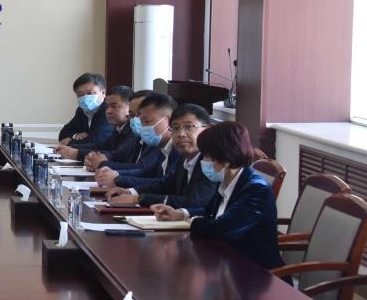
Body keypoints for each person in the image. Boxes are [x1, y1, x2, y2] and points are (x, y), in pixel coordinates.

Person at [152, 122, 284, 271]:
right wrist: (181, 214)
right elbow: (209, 213)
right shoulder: (226, 181)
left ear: (226, 160)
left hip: (254, 271)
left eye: (207, 157)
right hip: (224, 261)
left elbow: (222, 228)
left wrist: (192, 222)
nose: (203, 162)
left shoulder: (256, 189)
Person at [107, 104, 217, 210]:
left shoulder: (212, 162)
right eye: (175, 128)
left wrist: (139, 198)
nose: (181, 134)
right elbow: (164, 185)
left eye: (189, 127)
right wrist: (131, 192)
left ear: (208, 129)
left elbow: (196, 202)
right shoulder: (184, 158)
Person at [95, 93, 177, 187]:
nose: (143, 127)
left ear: (168, 121)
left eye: (147, 121)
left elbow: (163, 184)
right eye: (141, 122)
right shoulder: (157, 144)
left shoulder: (178, 149)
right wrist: (115, 175)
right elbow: (147, 172)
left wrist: (117, 179)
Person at [54, 85, 133, 160]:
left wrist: (77, 153)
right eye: (107, 106)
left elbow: (117, 156)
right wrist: (71, 147)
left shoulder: (134, 130)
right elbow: (100, 146)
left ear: (130, 107)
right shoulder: (118, 128)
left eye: (114, 106)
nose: (108, 111)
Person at [57, 72, 114, 146]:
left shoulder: (108, 111)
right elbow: (63, 134)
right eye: (80, 94)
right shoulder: (81, 111)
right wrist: (75, 135)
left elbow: (97, 141)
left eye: (90, 93)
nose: (85, 97)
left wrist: (71, 141)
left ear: (103, 93)